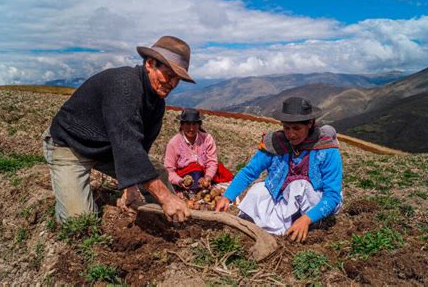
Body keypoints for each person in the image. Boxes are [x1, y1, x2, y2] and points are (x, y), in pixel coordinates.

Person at [42, 36, 193, 223]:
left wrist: (130, 187)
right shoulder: (125, 86)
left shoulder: (156, 105)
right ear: (150, 64)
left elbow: (139, 148)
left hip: (108, 149)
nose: (172, 84)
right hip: (69, 145)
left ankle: (171, 221)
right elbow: (128, 147)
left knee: (158, 173)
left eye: (177, 80)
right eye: (169, 75)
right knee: (79, 221)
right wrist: (165, 197)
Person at [215, 97, 343, 242]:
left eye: (297, 129)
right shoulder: (276, 143)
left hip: (317, 200)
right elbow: (250, 171)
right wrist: (227, 196)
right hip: (284, 198)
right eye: (286, 128)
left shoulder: (326, 147)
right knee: (259, 190)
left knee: (299, 185)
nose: (291, 134)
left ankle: (311, 223)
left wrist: (307, 219)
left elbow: (332, 195)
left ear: (310, 124)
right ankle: (283, 224)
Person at [164, 108, 233, 195]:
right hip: (184, 177)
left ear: (199, 125)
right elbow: (169, 170)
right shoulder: (174, 143)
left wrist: (208, 178)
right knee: (194, 168)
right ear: (181, 125)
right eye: (188, 124)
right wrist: (181, 181)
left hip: (205, 175)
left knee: (223, 172)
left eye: (194, 124)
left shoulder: (207, 139)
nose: (191, 128)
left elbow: (212, 162)